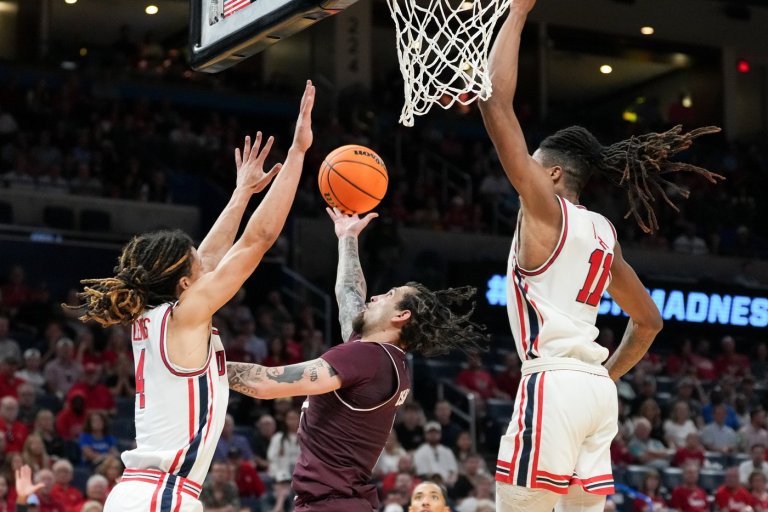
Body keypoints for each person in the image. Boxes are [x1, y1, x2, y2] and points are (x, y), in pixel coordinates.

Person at [479, 1, 721, 510]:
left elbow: (495, 101)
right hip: (595, 394)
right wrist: (603, 374)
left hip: (553, 382)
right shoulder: (604, 232)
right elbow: (649, 321)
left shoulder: (544, 209)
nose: (523, 172)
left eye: (532, 165)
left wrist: (517, 11)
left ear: (552, 174)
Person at [69, 81, 316, 512]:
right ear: (185, 284)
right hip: (162, 495)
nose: (206, 262)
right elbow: (258, 240)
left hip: (142, 492)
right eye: (196, 266)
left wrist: (242, 193)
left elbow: (211, 256)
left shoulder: (158, 315)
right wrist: (297, 153)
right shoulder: (183, 318)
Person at [226, 208, 488, 511]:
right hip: (343, 501)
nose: (375, 297)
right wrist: (348, 237)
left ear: (401, 316)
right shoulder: (384, 357)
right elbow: (349, 292)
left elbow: (265, 384)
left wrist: (201, 367)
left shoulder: (366, 357)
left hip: (330, 504)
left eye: (388, 295)